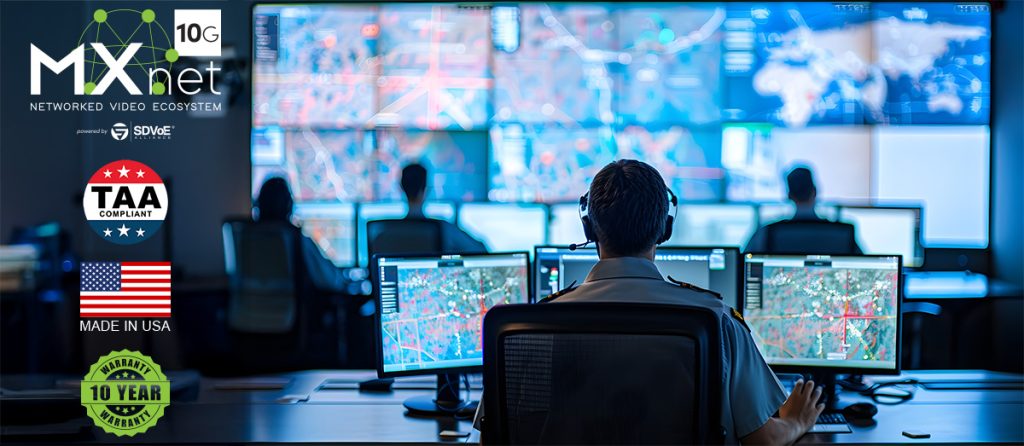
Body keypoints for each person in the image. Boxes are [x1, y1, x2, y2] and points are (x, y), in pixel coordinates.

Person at [543, 160, 824, 444]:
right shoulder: (718, 320)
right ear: (665, 229)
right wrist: (795, 421)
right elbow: (761, 440)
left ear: (588, 228)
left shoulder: (538, 324)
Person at [254, 177, 347, 292]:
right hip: (290, 309)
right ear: (289, 207)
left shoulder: (247, 241)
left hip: (250, 308)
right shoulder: (297, 241)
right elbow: (330, 280)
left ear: (258, 206)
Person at [745, 166, 863, 254]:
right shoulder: (841, 233)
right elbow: (861, 263)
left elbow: (744, 261)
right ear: (815, 191)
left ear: (789, 195)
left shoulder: (768, 232)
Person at [395, 163, 486, 253]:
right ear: (427, 189)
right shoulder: (444, 229)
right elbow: (480, 249)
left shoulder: (384, 229)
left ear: (401, 188)